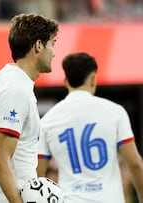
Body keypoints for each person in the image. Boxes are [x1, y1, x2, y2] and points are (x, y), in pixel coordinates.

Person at [37, 52, 143, 203]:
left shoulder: (47, 121)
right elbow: (134, 163)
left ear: (65, 81)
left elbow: (38, 176)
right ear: (93, 79)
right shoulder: (115, 112)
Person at [0, 13, 59, 203]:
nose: (53, 53)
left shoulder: (0, 79)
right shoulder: (17, 91)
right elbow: (0, 159)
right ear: (38, 45)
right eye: (52, 44)